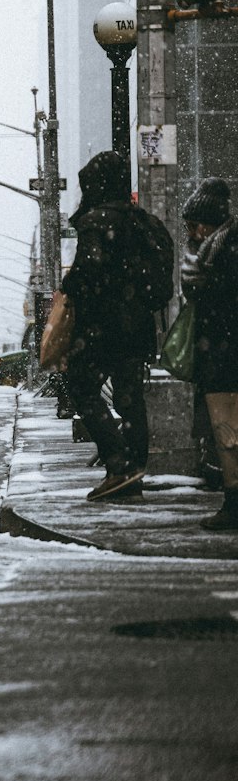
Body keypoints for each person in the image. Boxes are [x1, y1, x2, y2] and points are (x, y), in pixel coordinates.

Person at [61, 150, 173, 502]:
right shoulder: (148, 224)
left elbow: (86, 277)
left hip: (101, 330)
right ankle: (133, 470)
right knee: (129, 399)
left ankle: (118, 464)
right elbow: (161, 288)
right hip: (137, 331)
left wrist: (70, 289)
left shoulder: (97, 223)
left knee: (80, 385)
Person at [179, 177, 238, 531]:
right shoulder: (215, 251)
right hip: (219, 356)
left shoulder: (225, 253)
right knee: (226, 435)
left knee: (228, 435)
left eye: (192, 227)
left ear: (205, 225)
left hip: (225, 355)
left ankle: (234, 505)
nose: (190, 234)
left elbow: (222, 302)